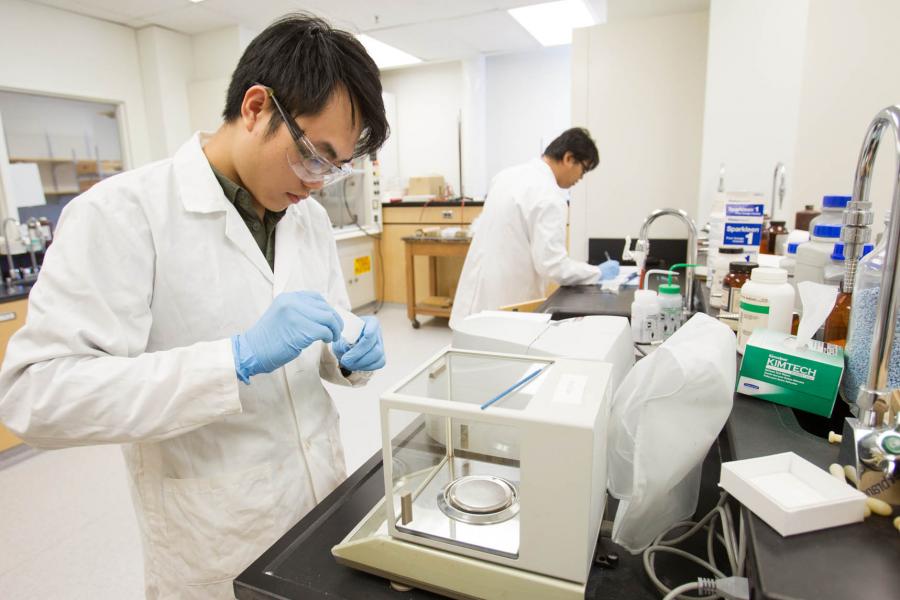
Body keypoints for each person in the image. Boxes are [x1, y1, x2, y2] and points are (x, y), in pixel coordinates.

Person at [0, 15, 388, 599]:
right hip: (216, 535)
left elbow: (324, 326)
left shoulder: (306, 218)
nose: (316, 183)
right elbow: (37, 395)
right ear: (256, 108)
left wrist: (347, 351)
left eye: (334, 169)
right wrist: (233, 360)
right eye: (314, 155)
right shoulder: (122, 214)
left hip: (320, 506)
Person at [450, 128, 618, 328]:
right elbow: (553, 266)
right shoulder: (550, 197)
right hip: (506, 305)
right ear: (569, 158)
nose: (580, 178)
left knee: (471, 342)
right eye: (583, 169)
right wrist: (597, 272)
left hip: (474, 299)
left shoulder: (506, 176)